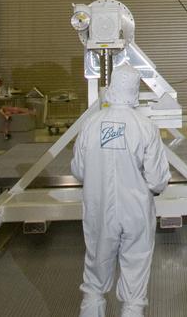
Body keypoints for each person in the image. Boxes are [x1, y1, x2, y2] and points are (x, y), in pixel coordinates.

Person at [71, 63, 171, 317]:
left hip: (99, 210)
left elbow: (78, 170)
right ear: (135, 90)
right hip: (136, 211)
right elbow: (158, 179)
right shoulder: (145, 126)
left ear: (112, 87)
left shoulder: (91, 125)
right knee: (136, 270)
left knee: (95, 275)